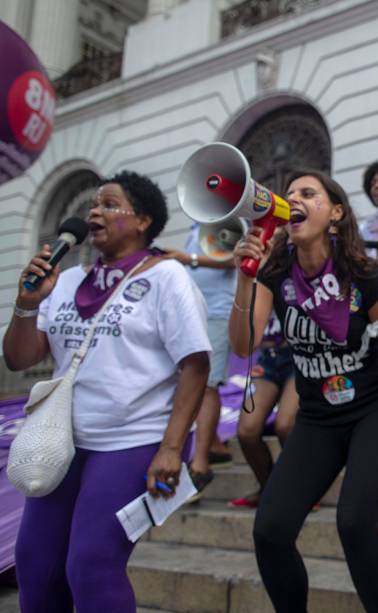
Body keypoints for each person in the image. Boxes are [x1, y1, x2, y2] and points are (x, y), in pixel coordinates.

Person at [228, 169, 378, 613]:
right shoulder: (275, 274)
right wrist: (245, 277)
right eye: (289, 196)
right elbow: (243, 344)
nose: (294, 200)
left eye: (308, 193)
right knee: (270, 531)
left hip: (375, 411)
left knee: (355, 524)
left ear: (336, 213)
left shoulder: (365, 275)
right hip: (317, 417)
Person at [5, 171, 211, 611]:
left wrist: (172, 449)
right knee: (36, 567)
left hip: (134, 439)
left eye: (110, 204)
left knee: (92, 564)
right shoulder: (61, 282)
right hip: (60, 442)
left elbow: (195, 364)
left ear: (143, 221)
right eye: (93, 204)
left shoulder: (167, 277)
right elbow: (20, 359)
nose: (94, 212)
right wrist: (26, 303)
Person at [164, 222, 238, 495]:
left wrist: (188, 259)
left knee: (208, 385)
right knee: (192, 380)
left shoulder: (230, 219)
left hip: (218, 311)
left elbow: (237, 259)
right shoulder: (196, 225)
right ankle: (215, 444)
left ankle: (201, 464)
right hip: (193, 310)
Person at [231, 312, 299, 508]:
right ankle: (269, 489)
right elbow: (241, 343)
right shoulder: (253, 283)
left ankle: (301, 489)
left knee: (286, 425)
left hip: (298, 356)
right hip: (266, 360)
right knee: (247, 430)